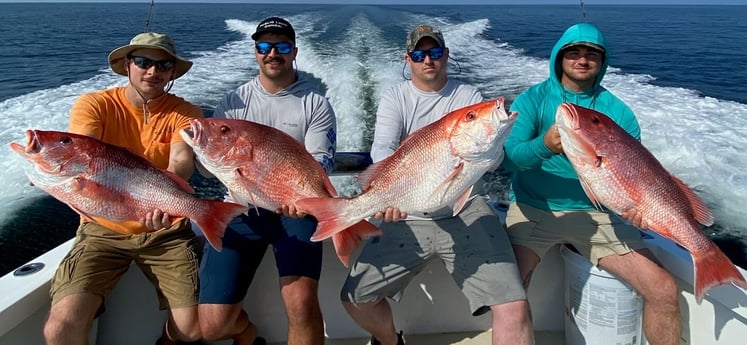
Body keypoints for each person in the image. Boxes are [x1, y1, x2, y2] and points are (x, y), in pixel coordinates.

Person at [340, 24, 534, 345]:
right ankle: (390, 341)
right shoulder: (396, 97)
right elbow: (383, 149)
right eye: (419, 54)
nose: (427, 60)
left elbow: (493, 159)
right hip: (407, 210)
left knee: (514, 305)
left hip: (465, 209)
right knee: (354, 298)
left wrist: (491, 144)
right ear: (408, 60)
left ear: (446, 55)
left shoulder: (467, 96)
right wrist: (387, 196)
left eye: (434, 52)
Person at [503, 22, 680, 345]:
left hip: (601, 218)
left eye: (591, 55)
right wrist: (543, 145)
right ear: (559, 57)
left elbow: (635, 176)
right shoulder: (532, 100)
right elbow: (509, 159)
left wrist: (635, 210)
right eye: (574, 53)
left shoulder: (618, 113)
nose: (582, 60)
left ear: (602, 62)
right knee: (508, 293)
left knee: (664, 289)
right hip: (534, 210)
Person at [42, 33, 204, 345]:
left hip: (165, 230)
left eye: (163, 65)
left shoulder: (186, 113)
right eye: (143, 62)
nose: (153, 71)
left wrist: (165, 203)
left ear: (172, 72)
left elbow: (181, 161)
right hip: (103, 230)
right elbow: (82, 154)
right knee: (59, 330)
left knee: (196, 328)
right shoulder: (95, 104)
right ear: (127, 65)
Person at [197, 17, 336, 345]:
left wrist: (298, 197)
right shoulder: (233, 103)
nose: (273, 53)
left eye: (282, 46)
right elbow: (206, 170)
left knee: (301, 304)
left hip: (294, 213)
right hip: (240, 212)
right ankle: (247, 334)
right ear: (255, 51)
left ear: (295, 52)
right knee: (212, 327)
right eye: (264, 46)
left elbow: (320, 163)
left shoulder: (314, 103)